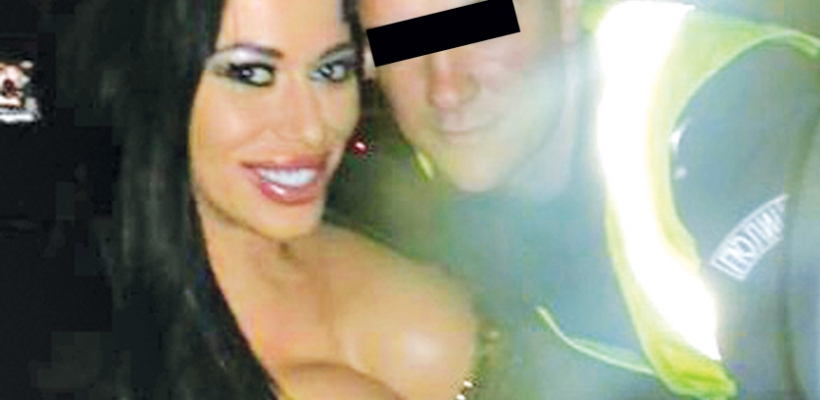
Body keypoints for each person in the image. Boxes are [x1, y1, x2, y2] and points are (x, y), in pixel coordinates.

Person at [332, 0, 820, 398]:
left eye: (479, 27)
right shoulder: (442, 184)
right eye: (401, 45)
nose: (446, 90)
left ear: (567, 8)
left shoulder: (729, 118)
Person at [60, 0, 495, 398]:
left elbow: (495, 23)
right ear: (144, 85)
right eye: (251, 75)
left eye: (331, 71)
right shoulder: (65, 337)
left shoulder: (403, 214)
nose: (311, 128)